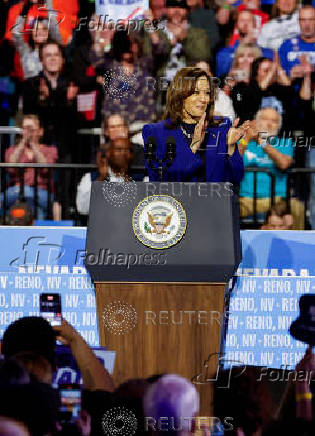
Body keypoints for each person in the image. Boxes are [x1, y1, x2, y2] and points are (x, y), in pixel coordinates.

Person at [142, 67, 249, 183]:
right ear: (180, 94)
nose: (203, 99)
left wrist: (231, 147)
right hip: (178, 200)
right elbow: (160, 180)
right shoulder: (156, 132)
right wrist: (193, 147)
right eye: (196, 92)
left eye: (207, 93)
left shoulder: (221, 127)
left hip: (214, 200)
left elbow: (236, 177)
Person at [239, 107, 304, 229]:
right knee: (227, 207)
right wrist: (246, 138)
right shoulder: (244, 142)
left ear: (278, 126)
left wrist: (262, 142)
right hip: (246, 199)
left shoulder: (285, 143)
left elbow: (284, 164)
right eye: (264, 119)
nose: (268, 124)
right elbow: (232, 162)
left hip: (277, 199)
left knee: (297, 207)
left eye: (273, 121)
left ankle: (298, 246)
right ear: (256, 122)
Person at [3, 114, 58, 220]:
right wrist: (23, 143)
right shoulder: (12, 150)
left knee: (27, 194)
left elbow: (45, 168)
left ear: (40, 132)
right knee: (35, 212)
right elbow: (11, 167)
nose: (28, 132)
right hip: (15, 193)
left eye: (31, 129)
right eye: (25, 129)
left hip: (41, 193)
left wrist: (33, 145)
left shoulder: (50, 150)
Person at [76, 138, 134, 216]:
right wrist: (101, 179)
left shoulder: (141, 178)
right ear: (108, 153)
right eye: (119, 150)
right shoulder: (90, 178)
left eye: (128, 150)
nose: (124, 153)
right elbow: (82, 208)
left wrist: (127, 179)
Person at [231, 56, 293, 127]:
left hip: (278, 131)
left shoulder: (277, 88)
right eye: (266, 70)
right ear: (256, 74)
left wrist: (280, 71)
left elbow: (290, 91)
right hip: (253, 130)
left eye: (274, 71)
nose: (271, 74)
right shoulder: (244, 89)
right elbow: (257, 91)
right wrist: (271, 71)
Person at [216, 9, 273, 77]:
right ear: (236, 25)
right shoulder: (224, 53)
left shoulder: (267, 53)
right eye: (242, 20)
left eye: (249, 20)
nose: (246, 23)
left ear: (255, 25)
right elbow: (221, 80)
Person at [279, 5, 315, 78]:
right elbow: (280, 74)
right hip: (292, 87)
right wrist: (291, 74)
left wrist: (312, 70)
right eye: (303, 20)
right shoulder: (286, 45)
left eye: (311, 19)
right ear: (298, 21)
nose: (307, 24)